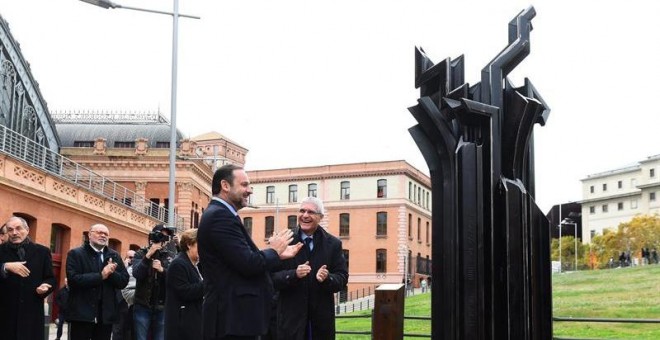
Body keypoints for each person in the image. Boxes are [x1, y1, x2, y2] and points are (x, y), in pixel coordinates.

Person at [198, 164, 303, 340]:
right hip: (232, 319)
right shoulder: (220, 216)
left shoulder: (221, 215)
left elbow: (237, 259)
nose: (250, 191)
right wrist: (273, 251)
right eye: (245, 185)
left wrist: (276, 254)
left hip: (235, 318)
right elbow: (248, 264)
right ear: (225, 185)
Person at [271, 197, 348, 340]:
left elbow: (342, 278)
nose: (305, 215)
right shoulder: (283, 241)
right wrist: (294, 274)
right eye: (302, 211)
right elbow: (271, 278)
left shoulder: (333, 244)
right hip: (290, 322)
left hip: (320, 323)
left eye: (311, 212)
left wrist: (327, 278)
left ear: (320, 217)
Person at [66, 223, 129, 340]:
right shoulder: (76, 254)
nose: (103, 236)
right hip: (82, 314)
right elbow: (73, 280)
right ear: (90, 235)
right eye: (99, 232)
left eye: (106, 234)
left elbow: (123, 281)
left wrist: (111, 273)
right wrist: (101, 276)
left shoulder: (114, 255)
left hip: (105, 316)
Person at [0, 216, 57, 340]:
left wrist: (45, 287)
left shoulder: (42, 252)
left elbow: (51, 279)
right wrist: (5, 266)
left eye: (18, 228)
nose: (14, 233)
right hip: (5, 316)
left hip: (32, 316)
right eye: (10, 230)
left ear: (27, 230)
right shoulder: (1, 251)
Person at [132, 224, 177, 340]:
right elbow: (137, 274)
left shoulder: (171, 256)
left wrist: (162, 270)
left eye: (166, 238)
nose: (163, 240)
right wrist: (148, 256)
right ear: (153, 236)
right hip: (142, 305)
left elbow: (175, 280)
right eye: (161, 236)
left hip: (162, 306)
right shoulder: (141, 253)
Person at [164, 228, 204, 340]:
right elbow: (185, 292)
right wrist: (209, 284)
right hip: (181, 326)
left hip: (191, 322)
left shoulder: (194, 264)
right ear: (189, 245)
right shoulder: (178, 264)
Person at [113, 250, 136, 340]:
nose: (132, 260)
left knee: (129, 331)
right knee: (118, 330)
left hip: (133, 305)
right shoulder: (120, 269)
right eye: (130, 257)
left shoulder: (137, 269)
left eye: (134, 258)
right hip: (120, 303)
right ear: (125, 258)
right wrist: (124, 268)